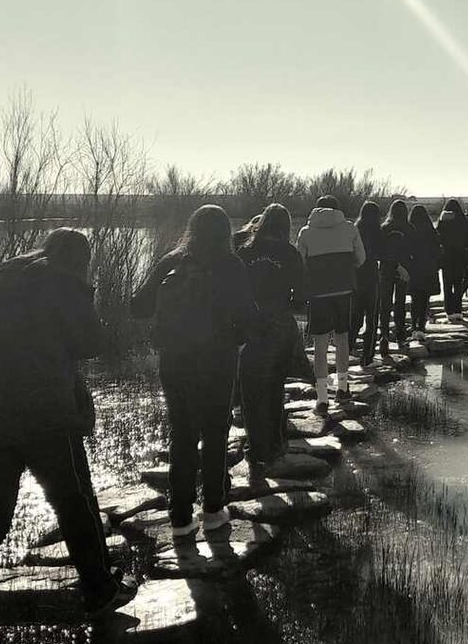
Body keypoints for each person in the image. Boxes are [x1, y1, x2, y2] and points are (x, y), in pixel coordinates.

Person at [0, 229, 136, 640]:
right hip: (48, 417)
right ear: (79, 259)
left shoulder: (1, 285)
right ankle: (101, 592)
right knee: (75, 504)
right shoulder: (66, 284)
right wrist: (88, 296)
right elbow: (91, 343)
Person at [132, 206, 257, 539]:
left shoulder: (171, 261)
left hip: (175, 360)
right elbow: (248, 316)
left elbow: (138, 306)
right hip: (218, 358)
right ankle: (214, 510)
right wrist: (239, 341)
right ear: (224, 233)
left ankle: (180, 517)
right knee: (216, 432)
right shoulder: (231, 265)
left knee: (182, 434)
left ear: (192, 229)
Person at [235, 204, 303, 481]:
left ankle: (256, 448)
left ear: (261, 223)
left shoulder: (244, 252)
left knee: (249, 391)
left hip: (250, 325)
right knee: (275, 386)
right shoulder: (290, 253)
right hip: (281, 325)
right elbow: (301, 296)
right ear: (285, 226)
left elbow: (234, 293)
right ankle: (275, 446)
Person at [297, 195, 364, 405]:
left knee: (320, 345)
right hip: (344, 290)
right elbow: (361, 258)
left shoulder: (306, 232)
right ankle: (343, 388)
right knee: (342, 339)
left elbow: (300, 263)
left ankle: (322, 397)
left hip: (317, 293)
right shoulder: (350, 228)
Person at [350, 201, 383, 365]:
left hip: (355, 277)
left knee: (355, 317)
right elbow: (380, 254)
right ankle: (367, 357)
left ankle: (347, 351)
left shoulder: (355, 229)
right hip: (371, 276)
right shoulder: (378, 231)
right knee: (371, 319)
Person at [379, 200, 412, 355]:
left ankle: (384, 335)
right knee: (400, 304)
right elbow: (414, 251)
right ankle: (401, 337)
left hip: (386, 269)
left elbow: (381, 252)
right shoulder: (409, 228)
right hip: (403, 270)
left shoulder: (384, 228)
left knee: (384, 304)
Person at [406, 204, 441, 336]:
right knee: (425, 299)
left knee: (414, 299)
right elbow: (438, 250)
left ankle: (414, 325)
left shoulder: (410, 231)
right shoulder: (431, 231)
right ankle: (421, 326)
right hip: (429, 269)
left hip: (414, 268)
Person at [436, 199, 468, 321]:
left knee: (447, 285)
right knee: (458, 284)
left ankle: (449, 311)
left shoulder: (443, 220)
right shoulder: (463, 221)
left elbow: (438, 238)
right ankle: (458, 310)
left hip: (446, 257)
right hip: (460, 256)